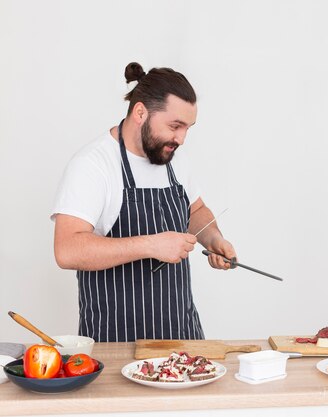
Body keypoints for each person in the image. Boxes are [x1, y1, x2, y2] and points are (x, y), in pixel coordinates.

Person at [52, 62, 237, 342]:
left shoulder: (174, 160)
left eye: (188, 128)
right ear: (140, 112)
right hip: (116, 343)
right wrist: (152, 244)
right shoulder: (93, 165)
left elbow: (196, 210)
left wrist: (213, 240)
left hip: (181, 339)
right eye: (175, 126)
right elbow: (67, 250)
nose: (182, 138)